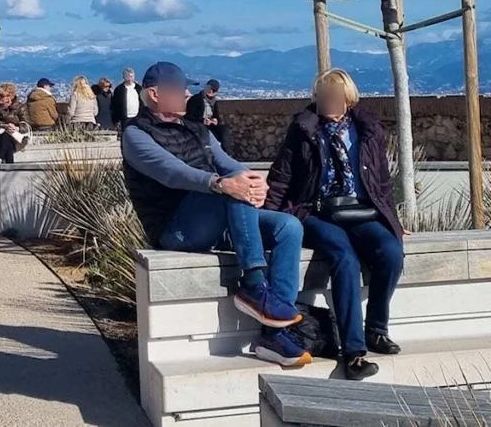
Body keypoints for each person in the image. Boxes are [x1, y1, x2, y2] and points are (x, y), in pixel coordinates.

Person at [122, 62, 310, 368]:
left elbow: (228, 163)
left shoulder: (197, 130)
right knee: (231, 191)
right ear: (155, 94)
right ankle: (253, 284)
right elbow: (172, 172)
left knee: (288, 227)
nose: (186, 94)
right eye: (179, 88)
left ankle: (275, 335)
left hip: (216, 218)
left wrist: (254, 180)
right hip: (175, 228)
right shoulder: (136, 134)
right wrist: (221, 184)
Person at [266, 68, 405, 381]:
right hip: (315, 211)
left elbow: (381, 181)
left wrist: (393, 220)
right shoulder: (304, 129)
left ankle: (377, 330)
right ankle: (354, 352)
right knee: (344, 258)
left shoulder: (368, 130)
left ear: (348, 98)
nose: (327, 102)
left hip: (360, 210)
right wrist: (269, 218)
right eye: (322, 96)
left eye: (333, 96)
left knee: (391, 251)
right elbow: (282, 176)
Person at [186, 79, 234, 155]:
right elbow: (189, 116)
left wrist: (215, 121)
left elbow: (216, 116)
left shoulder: (214, 102)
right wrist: (203, 120)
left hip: (210, 126)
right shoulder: (195, 99)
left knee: (224, 130)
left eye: (213, 90)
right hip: (199, 126)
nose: (210, 91)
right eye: (209, 88)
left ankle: (227, 153)